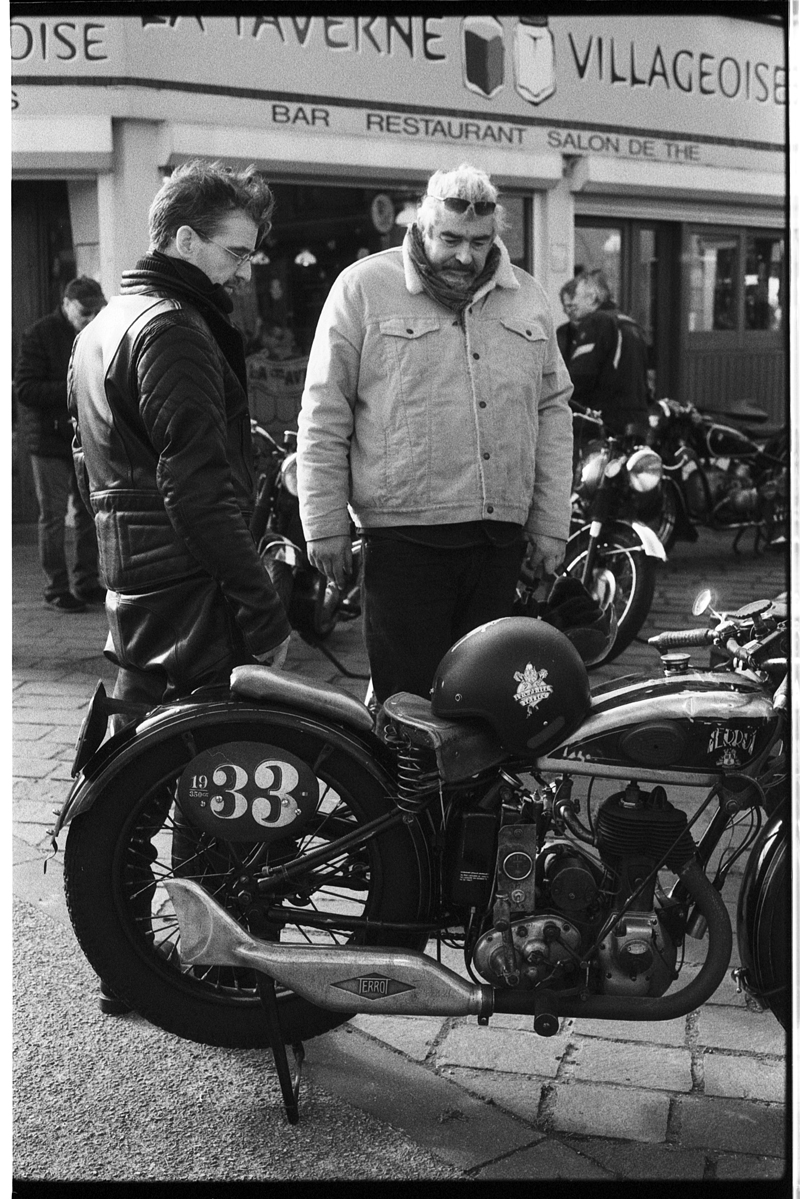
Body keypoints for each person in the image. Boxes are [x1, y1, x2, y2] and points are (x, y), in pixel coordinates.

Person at [296, 162, 574, 705]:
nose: (465, 256)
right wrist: (324, 522)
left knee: (492, 699)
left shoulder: (529, 297)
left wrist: (551, 525)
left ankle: (477, 795)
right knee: (410, 703)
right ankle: (408, 794)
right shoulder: (363, 289)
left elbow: (553, 412)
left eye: (479, 240)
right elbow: (324, 410)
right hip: (405, 545)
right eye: (450, 238)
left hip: (500, 542)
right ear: (422, 227)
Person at [69, 159, 292, 713]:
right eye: (236, 253)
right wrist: (262, 611)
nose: (243, 272)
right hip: (190, 591)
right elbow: (198, 489)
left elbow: (85, 465)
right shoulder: (173, 328)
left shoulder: (102, 326)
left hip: (135, 582)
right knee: (209, 768)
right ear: (186, 240)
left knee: (135, 766)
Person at [14, 277, 107, 611]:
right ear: (67, 304)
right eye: (86, 311)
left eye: (99, 310)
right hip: (50, 439)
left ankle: (86, 582)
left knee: (88, 514)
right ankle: (56, 588)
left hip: (85, 436)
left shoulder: (98, 330)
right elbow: (25, 388)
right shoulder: (39, 334)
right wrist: (73, 389)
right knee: (53, 517)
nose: (93, 317)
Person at [566, 271, 651, 438]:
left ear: (591, 298)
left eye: (576, 295)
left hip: (608, 426)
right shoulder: (630, 324)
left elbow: (579, 377)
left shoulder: (596, 322)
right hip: (638, 421)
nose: (573, 302)